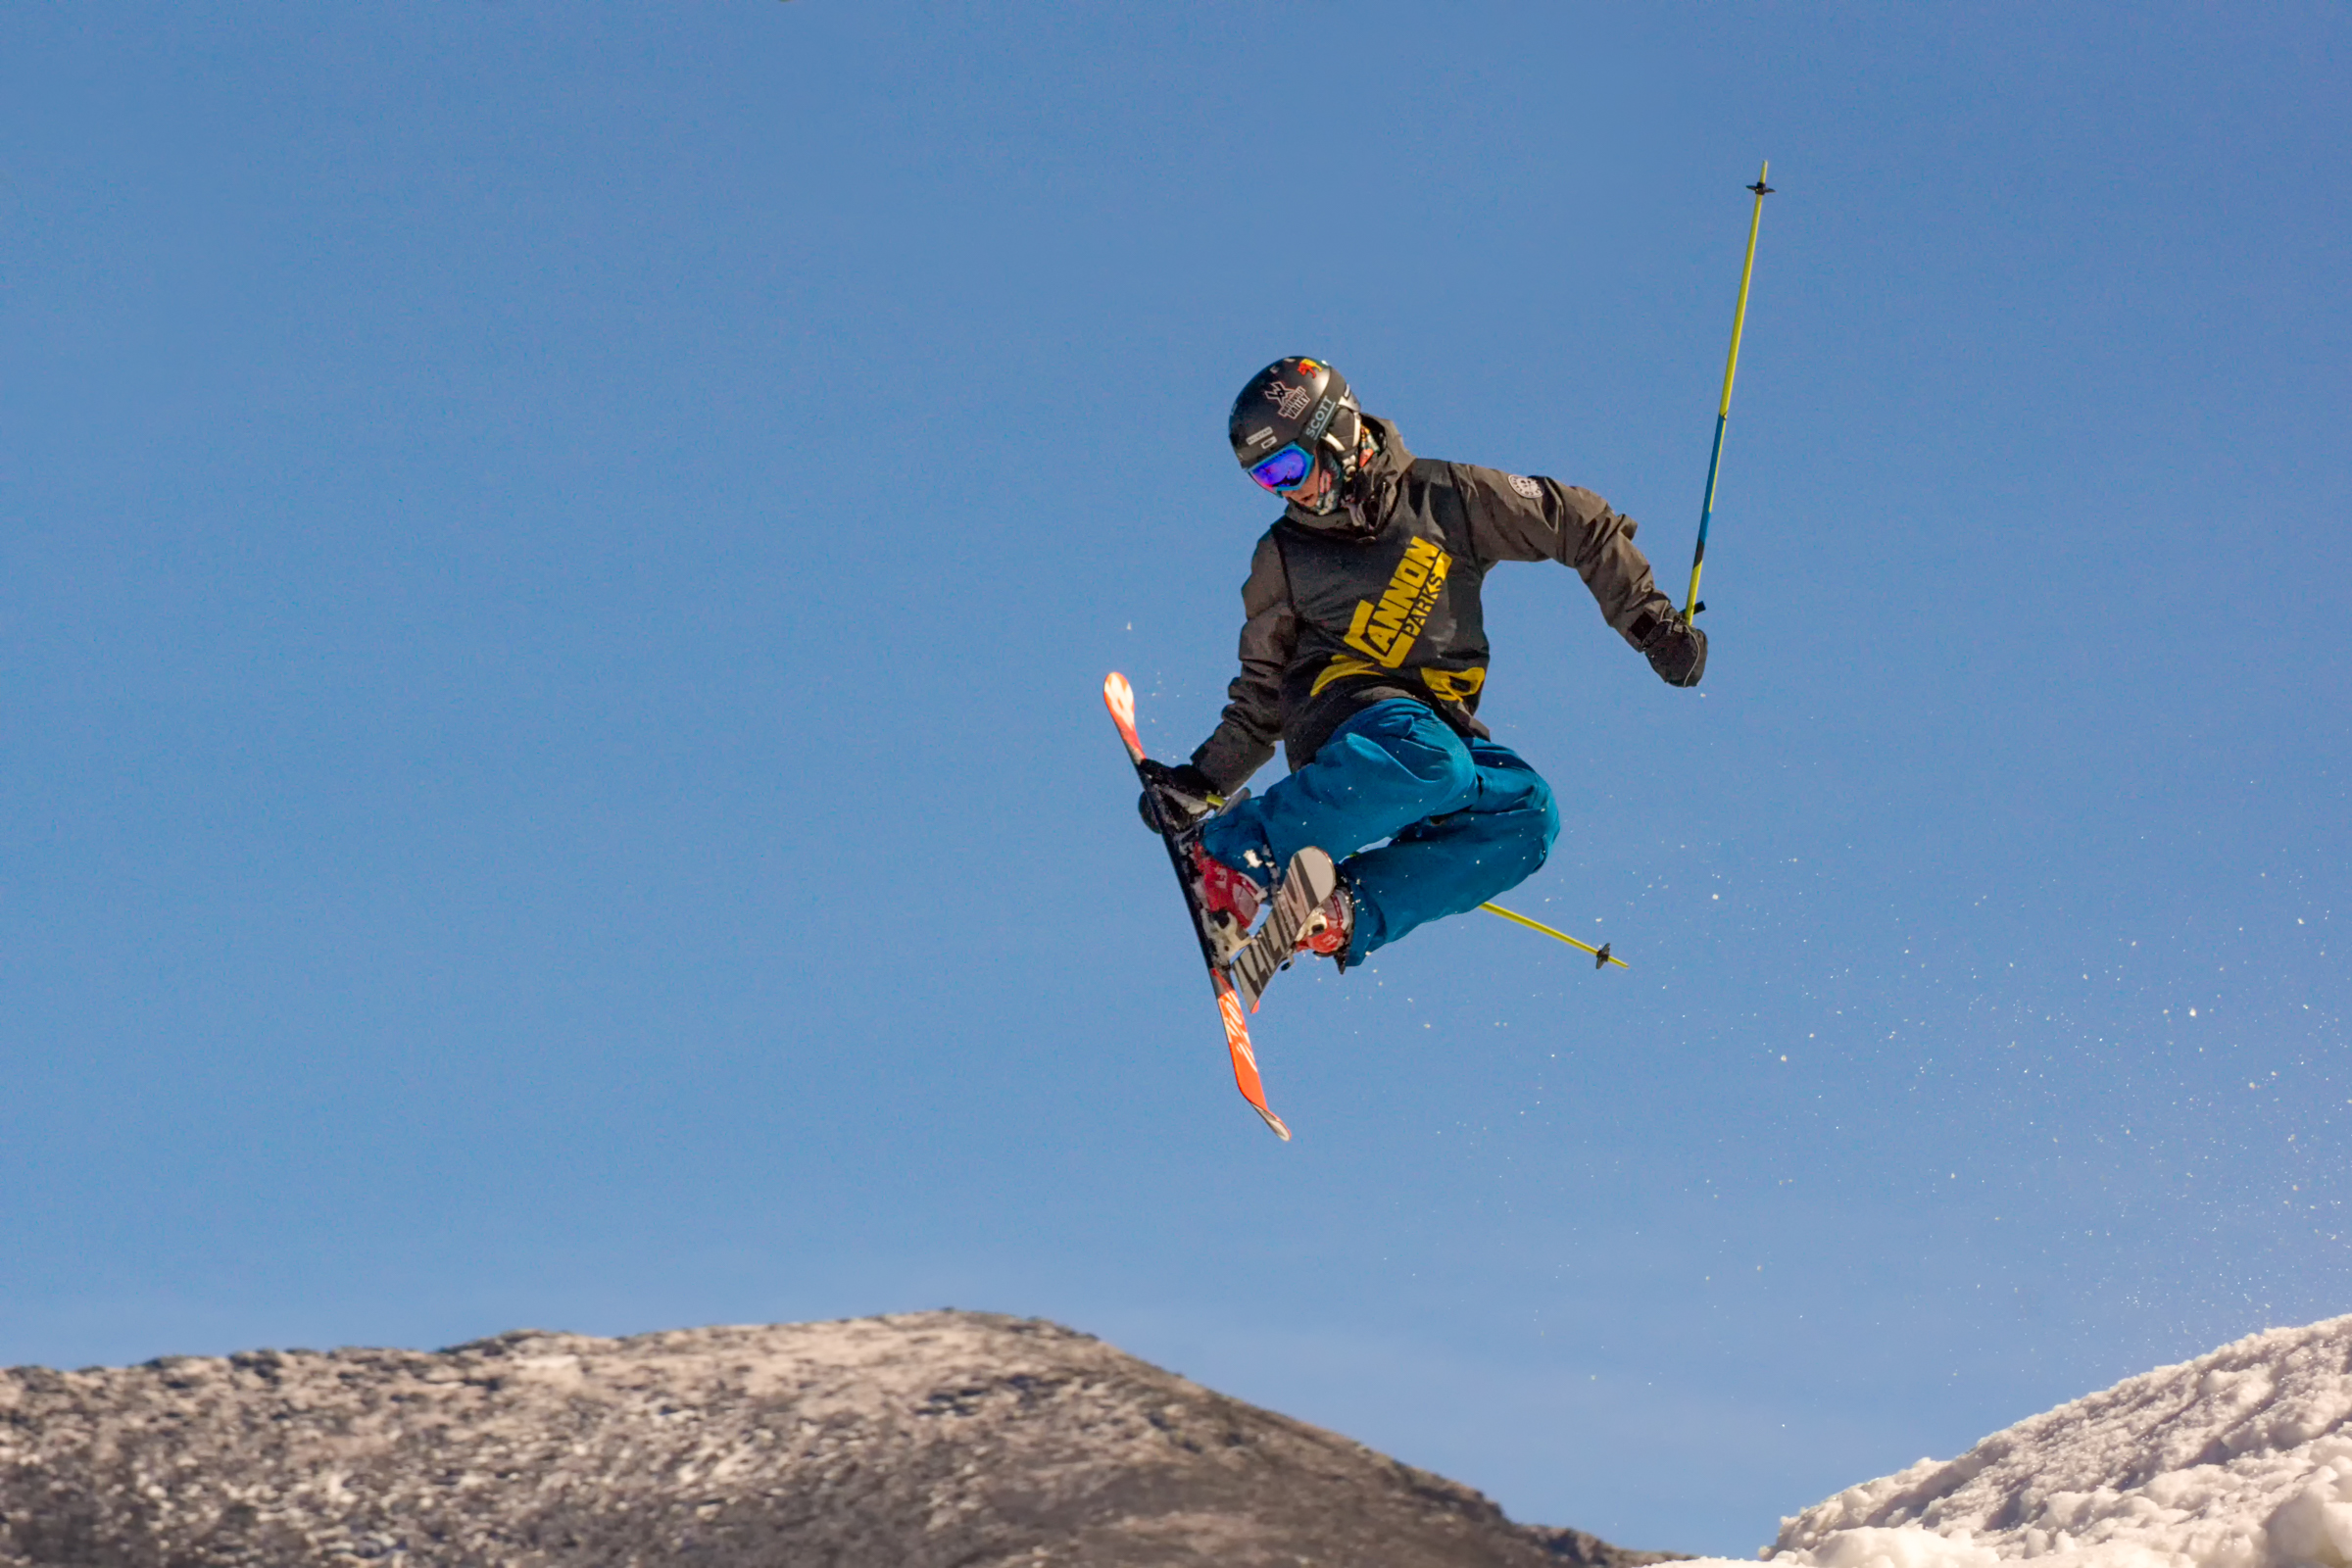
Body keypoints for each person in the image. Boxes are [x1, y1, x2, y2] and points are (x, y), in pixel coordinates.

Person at [1142, 356, 1706, 970]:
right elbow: (1260, 691)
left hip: (1437, 729)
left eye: (1287, 467)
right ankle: (1234, 858)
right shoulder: (1285, 554)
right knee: (1432, 758)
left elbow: (1575, 522)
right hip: (1347, 715)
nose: (1285, 490)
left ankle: (1344, 911)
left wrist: (1650, 622)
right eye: (1265, 480)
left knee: (1527, 815)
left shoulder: (1448, 499)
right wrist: (1204, 782)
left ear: (1336, 433)